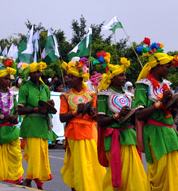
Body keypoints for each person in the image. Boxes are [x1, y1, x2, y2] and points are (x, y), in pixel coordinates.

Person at [134, 38, 178, 191]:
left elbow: (168, 111)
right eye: (167, 66)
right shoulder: (142, 86)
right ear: (156, 67)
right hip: (155, 132)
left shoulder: (166, 85)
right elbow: (139, 114)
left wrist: (174, 104)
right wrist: (160, 103)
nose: (169, 69)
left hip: (170, 131)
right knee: (160, 173)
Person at [95, 53, 148, 191]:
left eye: (125, 75)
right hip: (113, 138)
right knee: (117, 172)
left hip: (129, 136)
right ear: (112, 78)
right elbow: (100, 120)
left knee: (134, 172)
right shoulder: (103, 95)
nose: (125, 78)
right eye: (121, 75)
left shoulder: (129, 96)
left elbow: (134, 118)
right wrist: (117, 116)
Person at [60, 57, 105, 191]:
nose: (68, 79)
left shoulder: (91, 94)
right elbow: (62, 117)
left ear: (80, 78)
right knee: (78, 166)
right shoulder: (65, 95)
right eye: (68, 77)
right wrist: (75, 112)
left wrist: (92, 112)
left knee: (92, 164)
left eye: (72, 77)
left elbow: (97, 117)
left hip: (90, 134)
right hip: (74, 134)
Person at [16, 61, 55, 189]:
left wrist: (50, 105)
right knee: (33, 155)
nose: (37, 74)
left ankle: (37, 181)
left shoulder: (45, 88)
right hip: (31, 125)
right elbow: (20, 110)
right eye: (34, 72)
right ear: (29, 74)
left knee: (42, 155)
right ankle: (30, 179)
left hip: (43, 125)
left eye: (38, 72)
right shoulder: (24, 88)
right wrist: (36, 109)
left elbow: (48, 107)